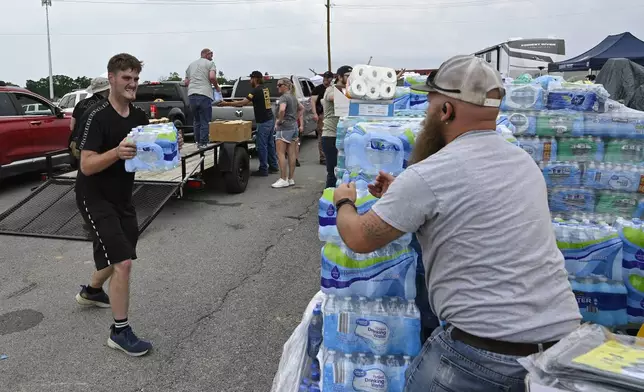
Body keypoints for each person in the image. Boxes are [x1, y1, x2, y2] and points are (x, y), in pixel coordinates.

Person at [332, 55, 581, 391]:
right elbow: (473, 211)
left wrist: (344, 201)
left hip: (482, 356)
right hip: (559, 352)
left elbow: (360, 238)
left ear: (446, 111)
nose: (425, 116)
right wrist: (402, 198)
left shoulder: (430, 173)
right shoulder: (523, 162)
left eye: (429, 106)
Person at [75, 53, 183, 357]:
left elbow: (146, 154)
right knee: (123, 263)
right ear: (111, 78)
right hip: (93, 196)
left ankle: (92, 290)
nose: (132, 84)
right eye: (127, 78)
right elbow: (86, 165)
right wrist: (115, 152)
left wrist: (169, 148)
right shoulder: (96, 116)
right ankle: (120, 332)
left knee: (117, 255)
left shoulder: (137, 117)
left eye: (136, 79)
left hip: (123, 196)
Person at [218, 71, 278, 176]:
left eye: (251, 79)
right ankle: (273, 166)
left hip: (263, 121)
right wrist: (240, 103)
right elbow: (253, 101)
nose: (250, 81)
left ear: (255, 79)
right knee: (270, 144)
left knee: (261, 146)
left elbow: (244, 102)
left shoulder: (255, 90)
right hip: (270, 119)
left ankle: (263, 169)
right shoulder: (264, 89)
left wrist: (226, 103)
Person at [321, 65, 352, 188]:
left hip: (344, 135)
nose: (350, 79)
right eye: (347, 76)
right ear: (339, 77)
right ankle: (329, 198)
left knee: (344, 171)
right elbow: (334, 98)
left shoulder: (348, 90)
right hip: (331, 135)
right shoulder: (331, 89)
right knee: (333, 171)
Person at [272, 78, 303, 188]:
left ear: (286, 86)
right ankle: (291, 178)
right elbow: (301, 108)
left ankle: (283, 178)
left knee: (280, 153)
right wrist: (295, 118)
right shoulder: (293, 97)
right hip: (293, 126)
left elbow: (282, 110)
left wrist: (279, 121)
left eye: (279, 85)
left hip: (284, 128)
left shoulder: (284, 97)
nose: (278, 87)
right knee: (292, 153)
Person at [68, 76, 110, 158]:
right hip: (97, 147)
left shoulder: (80, 103)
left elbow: (72, 127)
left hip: (77, 144)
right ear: (107, 90)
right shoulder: (106, 105)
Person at [185, 48, 219, 148]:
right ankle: (203, 143)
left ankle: (197, 141)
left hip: (192, 95)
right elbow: (212, 77)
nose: (212, 57)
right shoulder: (210, 64)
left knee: (196, 120)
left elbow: (186, 82)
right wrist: (217, 87)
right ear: (205, 54)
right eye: (210, 55)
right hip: (204, 94)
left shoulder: (191, 65)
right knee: (205, 120)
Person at [311, 71, 334, 165]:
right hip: (322, 114)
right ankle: (323, 157)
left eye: (328, 78)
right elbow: (312, 101)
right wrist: (315, 113)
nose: (327, 80)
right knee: (322, 135)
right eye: (325, 78)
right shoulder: (318, 89)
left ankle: (330, 155)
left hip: (332, 114)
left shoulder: (333, 88)